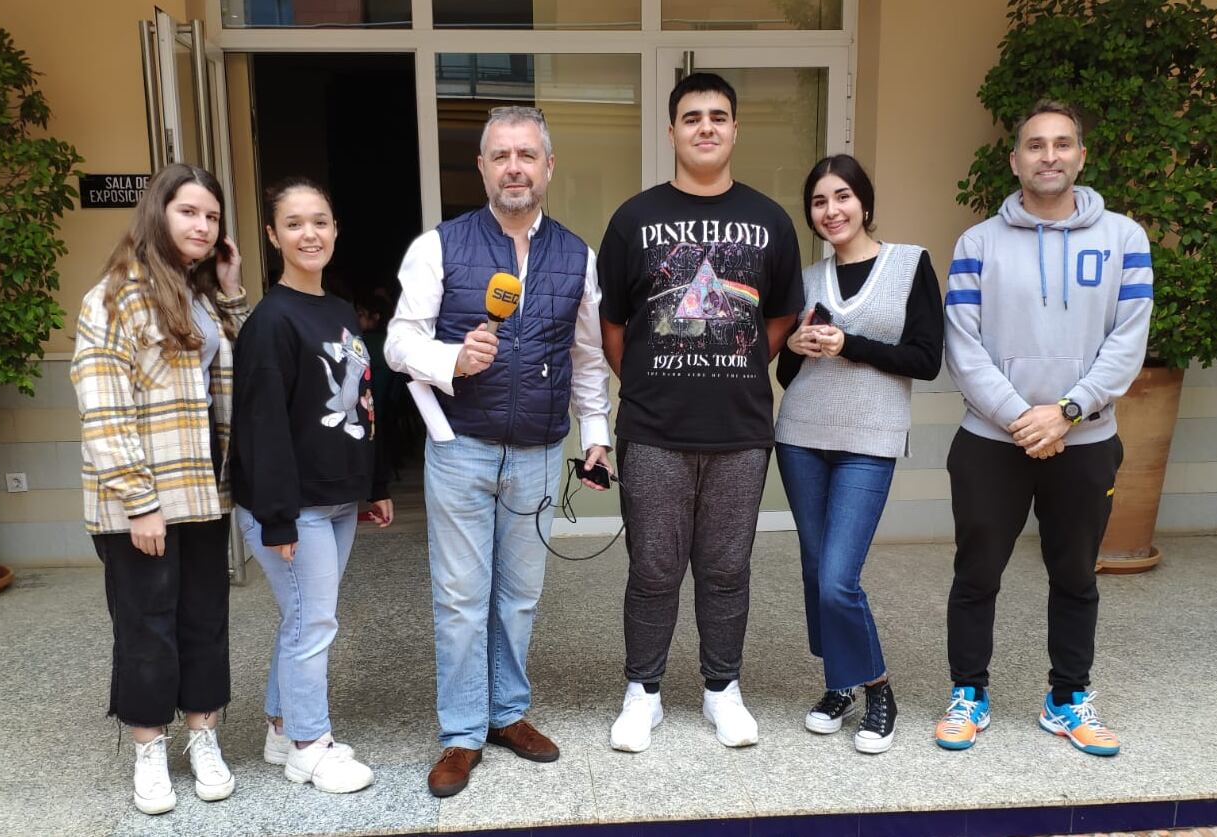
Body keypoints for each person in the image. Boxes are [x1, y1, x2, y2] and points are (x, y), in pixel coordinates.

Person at [385, 105, 612, 798]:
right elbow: (397, 342)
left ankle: (506, 712)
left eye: (526, 155)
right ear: (481, 167)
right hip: (461, 450)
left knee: (518, 596)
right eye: (500, 155)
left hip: (541, 452)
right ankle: (460, 730)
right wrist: (453, 357)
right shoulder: (438, 246)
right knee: (460, 598)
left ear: (547, 167)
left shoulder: (577, 254)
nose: (514, 166)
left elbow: (588, 355)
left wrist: (596, 435)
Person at [936, 100, 1151, 757]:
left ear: (1081, 156)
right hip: (989, 444)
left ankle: (1066, 698)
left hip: (1082, 443)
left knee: (1075, 575)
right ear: (1015, 160)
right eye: (1035, 145)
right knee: (976, 574)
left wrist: (1063, 412)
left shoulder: (1123, 239)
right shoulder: (976, 245)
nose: (1048, 155)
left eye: (1061, 144)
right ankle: (968, 693)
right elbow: (961, 344)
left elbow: (1127, 339)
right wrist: (1018, 417)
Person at [600, 72, 803, 753]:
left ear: (735, 128)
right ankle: (643, 693)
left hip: (740, 430)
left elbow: (779, 317)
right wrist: (657, 377)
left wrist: (733, 366)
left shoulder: (771, 220)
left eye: (718, 116)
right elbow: (612, 326)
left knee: (725, 569)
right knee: (652, 568)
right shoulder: (633, 219)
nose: (706, 127)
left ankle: (723, 690)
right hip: (653, 428)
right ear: (671, 132)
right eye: (692, 117)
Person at [71, 163, 246, 815]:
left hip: (204, 491)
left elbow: (240, 368)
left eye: (211, 215)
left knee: (204, 619)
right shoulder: (115, 294)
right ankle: (149, 748)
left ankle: (203, 736)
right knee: (146, 625)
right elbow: (104, 408)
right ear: (158, 215)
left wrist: (229, 290)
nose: (202, 225)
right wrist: (140, 500)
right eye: (189, 212)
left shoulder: (201, 294)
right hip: (138, 502)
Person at [228, 177, 394, 795]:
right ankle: (308, 745)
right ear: (272, 235)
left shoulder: (336, 309)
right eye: (294, 223)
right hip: (292, 506)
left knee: (302, 617)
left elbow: (365, 400)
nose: (309, 233)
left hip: (335, 498)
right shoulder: (270, 322)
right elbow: (261, 426)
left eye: (320, 221)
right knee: (314, 623)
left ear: (335, 229)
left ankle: (281, 726)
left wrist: (373, 483)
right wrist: (277, 518)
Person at [774, 154, 943, 754]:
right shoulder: (807, 280)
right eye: (819, 202)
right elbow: (789, 371)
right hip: (801, 436)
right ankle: (838, 683)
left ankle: (877, 686)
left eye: (842, 197)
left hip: (869, 440)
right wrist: (793, 344)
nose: (831, 211)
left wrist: (851, 343)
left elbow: (927, 358)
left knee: (839, 579)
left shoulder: (909, 264)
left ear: (864, 202)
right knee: (815, 571)